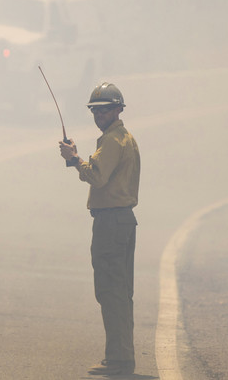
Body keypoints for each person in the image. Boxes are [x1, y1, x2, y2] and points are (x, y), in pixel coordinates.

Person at [58, 83, 141, 377]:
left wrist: (74, 159)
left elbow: (97, 176)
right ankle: (120, 356)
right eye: (96, 110)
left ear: (118, 110)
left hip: (111, 222)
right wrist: (78, 160)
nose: (100, 115)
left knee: (110, 291)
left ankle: (119, 360)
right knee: (120, 291)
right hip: (121, 221)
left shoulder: (113, 140)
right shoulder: (122, 138)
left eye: (105, 109)